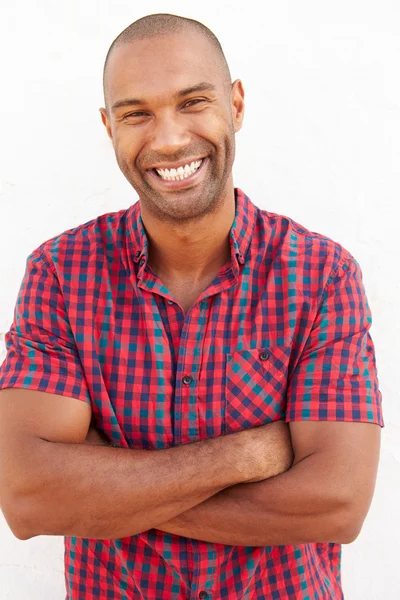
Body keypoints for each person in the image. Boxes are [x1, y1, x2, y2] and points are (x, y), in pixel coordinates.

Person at [0, 12, 382, 600]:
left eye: (193, 102)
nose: (170, 137)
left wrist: (106, 488)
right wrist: (248, 453)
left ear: (236, 105)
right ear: (109, 127)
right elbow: (28, 498)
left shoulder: (321, 276)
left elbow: (336, 505)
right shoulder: (60, 273)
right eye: (137, 113)